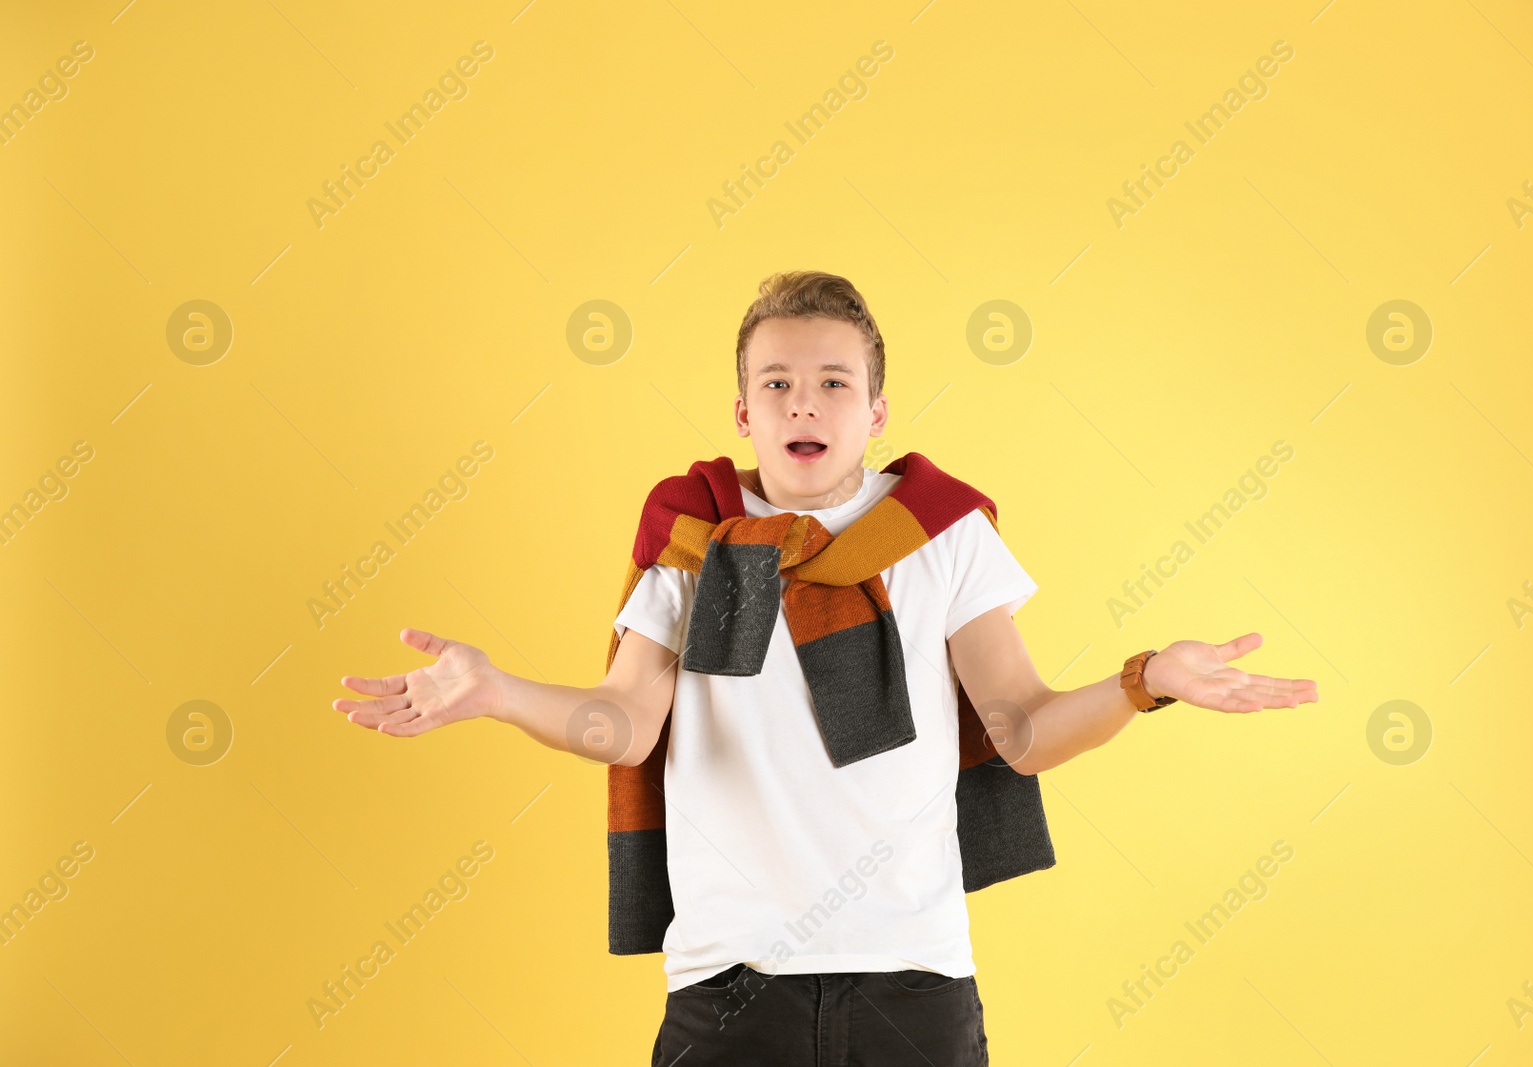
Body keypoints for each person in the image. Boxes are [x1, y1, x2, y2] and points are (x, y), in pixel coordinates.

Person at [333, 270, 1319, 1065]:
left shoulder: (942, 535)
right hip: (728, 986)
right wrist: (497, 692)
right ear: (742, 410)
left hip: (913, 985)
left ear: (875, 408)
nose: (803, 400)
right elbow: (624, 723)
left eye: (832, 381)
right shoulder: (697, 540)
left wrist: (1145, 678)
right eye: (777, 382)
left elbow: (1018, 725)